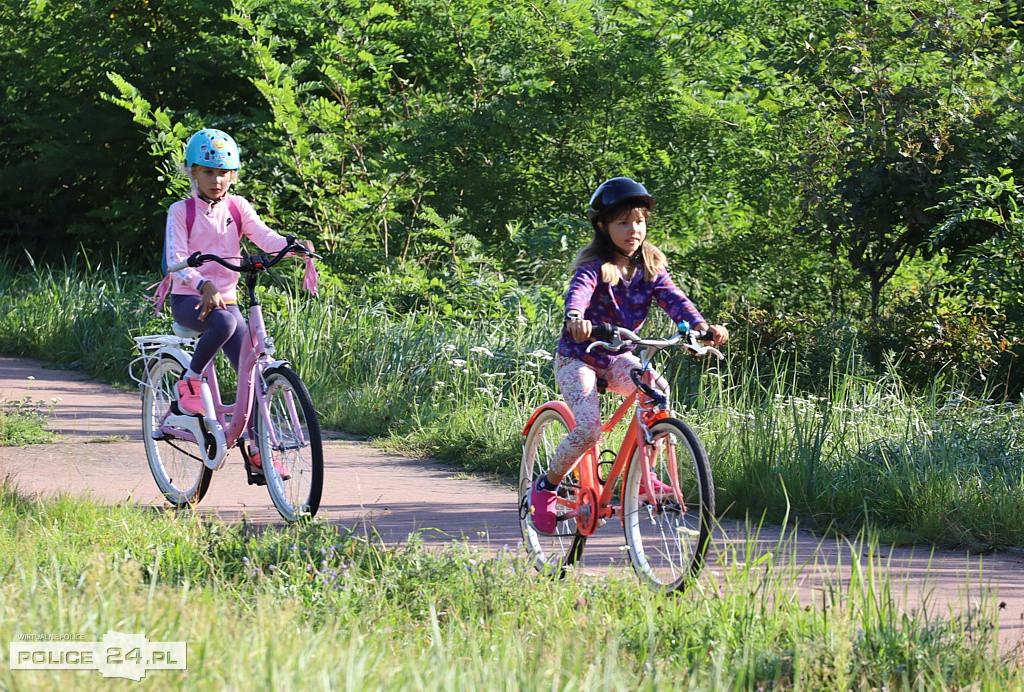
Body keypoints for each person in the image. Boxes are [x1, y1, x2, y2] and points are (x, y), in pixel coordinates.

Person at [529, 176, 729, 534]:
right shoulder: (595, 265)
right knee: (588, 428)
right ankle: (546, 485)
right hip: (580, 357)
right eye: (622, 222)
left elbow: (675, 300)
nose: (633, 229)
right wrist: (575, 318)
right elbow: (579, 292)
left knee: (657, 390)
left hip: (618, 357)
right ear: (603, 227)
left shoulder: (650, 267)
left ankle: (642, 474)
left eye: (638, 221)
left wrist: (701, 328)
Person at [163, 128, 313, 478]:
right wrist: (202, 284)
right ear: (193, 172)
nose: (216, 180)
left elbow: (263, 235)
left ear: (233, 175)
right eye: (208, 172)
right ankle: (189, 382)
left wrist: (291, 246)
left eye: (223, 173)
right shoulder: (181, 211)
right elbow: (175, 259)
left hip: (226, 300)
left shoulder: (237, 206)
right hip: (189, 298)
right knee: (227, 322)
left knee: (253, 373)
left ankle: (257, 450)